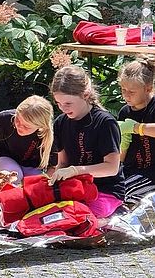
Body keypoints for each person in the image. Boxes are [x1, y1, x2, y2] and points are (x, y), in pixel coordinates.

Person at [49, 65, 125, 219]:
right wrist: (52, 177)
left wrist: (76, 170)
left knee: (80, 217)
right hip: (75, 188)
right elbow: (63, 162)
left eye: (68, 104)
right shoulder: (60, 122)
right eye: (58, 103)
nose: (63, 108)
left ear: (85, 94)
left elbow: (112, 168)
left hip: (106, 190)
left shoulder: (105, 122)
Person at [0, 95, 55, 184]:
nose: (19, 126)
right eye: (17, 119)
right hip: (5, 158)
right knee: (14, 177)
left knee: (34, 183)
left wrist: (42, 182)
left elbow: (53, 167)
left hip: (31, 166)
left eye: (26, 126)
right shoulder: (5, 118)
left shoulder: (48, 135)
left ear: (41, 127)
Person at [117, 56, 155, 204]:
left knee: (131, 199)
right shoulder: (124, 112)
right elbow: (121, 157)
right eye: (123, 89)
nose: (126, 95)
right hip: (132, 170)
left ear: (148, 89)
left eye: (131, 92)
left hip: (152, 173)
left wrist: (136, 128)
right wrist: (122, 143)